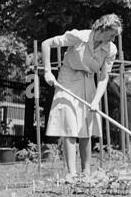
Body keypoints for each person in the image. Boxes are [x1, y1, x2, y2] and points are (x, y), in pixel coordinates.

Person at [42, 14, 121, 177]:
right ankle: (71, 173)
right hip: (68, 79)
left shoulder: (111, 49)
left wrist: (95, 100)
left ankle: (86, 172)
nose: (114, 38)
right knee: (69, 125)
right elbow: (47, 43)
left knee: (86, 127)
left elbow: (104, 77)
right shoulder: (79, 36)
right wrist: (48, 71)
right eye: (112, 34)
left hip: (88, 81)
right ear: (102, 29)